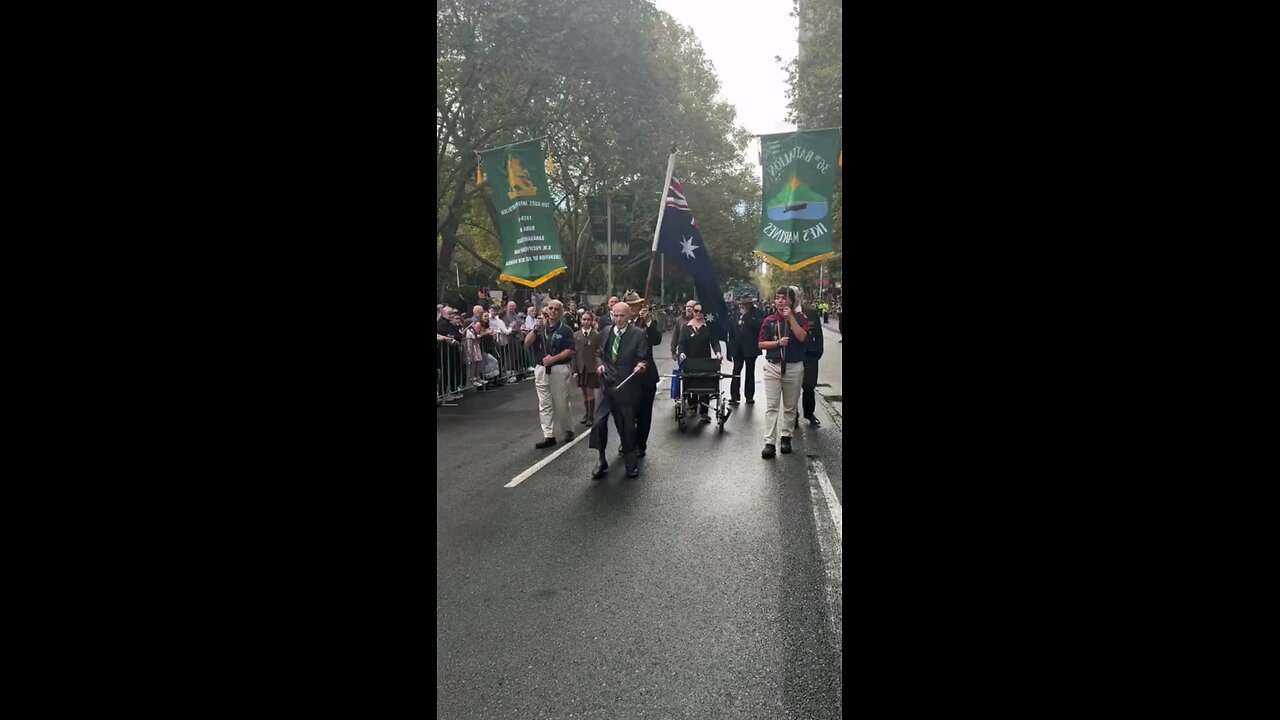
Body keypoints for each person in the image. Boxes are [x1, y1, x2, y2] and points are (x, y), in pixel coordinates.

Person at [589, 300, 650, 479]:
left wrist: (641, 365)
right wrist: (599, 365)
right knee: (598, 423)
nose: (618, 319)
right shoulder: (605, 331)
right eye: (615, 315)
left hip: (626, 386)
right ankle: (601, 459)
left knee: (627, 427)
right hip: (606, 385)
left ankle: (631, 463)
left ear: (629, 315)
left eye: (622, 315)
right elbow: (598, 353)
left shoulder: (638, 334)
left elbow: (643, 358)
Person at [757, 286, 809, 458]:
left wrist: (791, 318)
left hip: (794, 366)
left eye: (783, 298)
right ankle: (769, 442)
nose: (779, 301)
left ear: (791, 301)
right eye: (777, 298)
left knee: (790, 405)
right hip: (773, 366)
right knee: (772, 406)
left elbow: (802, 337)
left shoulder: (800, 318)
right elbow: (761, 344)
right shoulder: (770, 320)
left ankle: (786, 437)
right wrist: (777, 343)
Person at [523, 301, 576, 448]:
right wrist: (535, 329)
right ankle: (548, 435)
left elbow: (570, 349)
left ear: (561, 312)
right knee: (544, 403)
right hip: (541, 369)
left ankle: (567, 429)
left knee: (562, 403)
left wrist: (554, 358)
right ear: (547, 310)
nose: (553, 312)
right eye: (551, 308)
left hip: (558, 368)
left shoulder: (565, 330)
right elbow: (527, 343)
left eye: (557, 309)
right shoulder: (540, 328)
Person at [624, 291, 662, 456]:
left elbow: (656, 339)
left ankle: (641, 444)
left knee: (644, 413)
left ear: (641, 306)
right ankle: (627, 441)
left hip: (646, 374)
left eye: (635, 304)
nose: (633, 308)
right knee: (627, 412)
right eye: (630, 305)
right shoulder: (621, 324)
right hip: (626, 375)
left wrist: (647, 321)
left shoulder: (647, 322)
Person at [676, 300, 722, 422]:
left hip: (705, 361)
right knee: (691, 384)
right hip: (690, 361)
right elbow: (681, 344)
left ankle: (704, 411)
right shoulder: (686, 327)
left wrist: (718, 353)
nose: (698, 313)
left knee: (705, 383)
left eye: (701, 311)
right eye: (696, 311)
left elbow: (715, 342)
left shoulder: (709, 327)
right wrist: (681, 353)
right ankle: (692, 405)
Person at [727, 295, 764, 405]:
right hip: (737, 348)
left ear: (751, 304)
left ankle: (749, 396)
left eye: (746, 304)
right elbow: (731, 332)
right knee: (736, 371)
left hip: (750, 348)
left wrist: (746, 316)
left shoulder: (757, 313)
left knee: (750, 372)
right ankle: (734, 395)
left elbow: (758, 326)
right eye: (742, 304)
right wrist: (729, 350)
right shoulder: (736, 314)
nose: (743, 306)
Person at [573, 310, 603, 426]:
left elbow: (599, 351)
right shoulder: (576, 335)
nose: (586, 322)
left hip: (591, 367)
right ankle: (586, 413)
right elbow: (574, 354)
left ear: (592, 321)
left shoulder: (596, 335)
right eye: (584, 319)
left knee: (590, 391)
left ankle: (591, 415)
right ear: (581, 320)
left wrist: (598, 365)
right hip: (581, 368)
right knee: (584, 391)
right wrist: (574, 370)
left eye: (588, 319)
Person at [798, 296, 824, 427]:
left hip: (810, 355)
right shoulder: (785, 312)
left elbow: (818, 333)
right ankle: (793, 415)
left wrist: (818, 351)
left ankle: (809, 413)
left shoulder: (811, 312)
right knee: (792, 388)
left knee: (809, 386)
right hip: (793, 355)